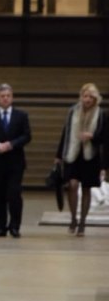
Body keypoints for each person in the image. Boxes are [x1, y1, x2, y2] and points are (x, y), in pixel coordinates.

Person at [0, 83, 32, 238]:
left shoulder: (21, 115)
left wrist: (11, 144)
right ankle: (1, 226)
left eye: (8, 96)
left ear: (12, 97)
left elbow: (27, 135)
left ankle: (15, 226)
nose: (5, 98)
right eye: (2, 96)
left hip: (15, 162)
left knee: (14, 195)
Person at [55, 83, 104, 236]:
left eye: (91, 97)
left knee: (87, 188)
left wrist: (92, 136)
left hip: (91, 156)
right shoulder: (73, 111)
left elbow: (105, 137)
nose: (87, 99)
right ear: (81, 97)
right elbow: (66, 133)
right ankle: (73, 219)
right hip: (73, 154)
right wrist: (59, 155)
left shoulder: (101, 114)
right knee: (72, 185)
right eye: (85, 96)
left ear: (95, 99)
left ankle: (82, 221)